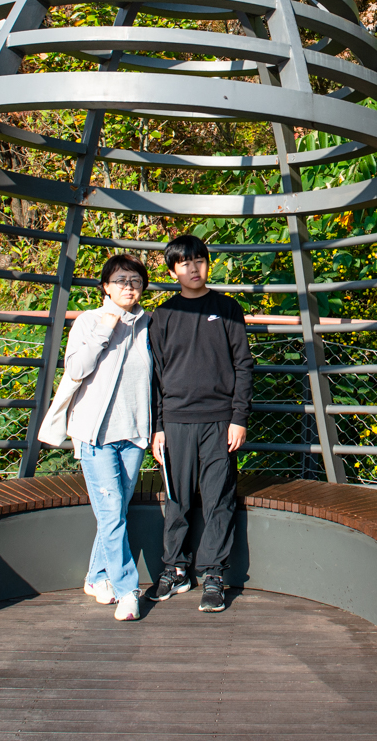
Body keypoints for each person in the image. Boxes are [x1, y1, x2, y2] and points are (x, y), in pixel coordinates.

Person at [41, 254, 153, 621]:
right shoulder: (89, 321)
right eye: (121, 280)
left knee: (115, 511)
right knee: (111, 513)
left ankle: (96, 575)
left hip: (134, 433)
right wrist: (106, 329)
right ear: (105, 286)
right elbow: (75, 369)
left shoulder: (149, 325)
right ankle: (127, 590)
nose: (128, 286)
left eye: (135, 280)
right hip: (96, 433)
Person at [146, 233, 253, 613]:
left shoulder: (226, 308)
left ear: (208, 263)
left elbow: (243, 365)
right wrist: (157, 426)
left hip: (219, 422)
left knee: (217, 499)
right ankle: (175, 570)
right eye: (185, 262)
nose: (194, 268)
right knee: (176, 501)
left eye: (200, 260)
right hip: (174, 423)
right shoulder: (162, 315)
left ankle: (214, 575)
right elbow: (156, 376)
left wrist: (238, 418)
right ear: (173, 269)